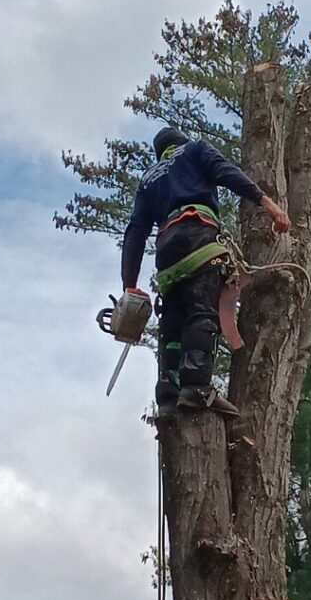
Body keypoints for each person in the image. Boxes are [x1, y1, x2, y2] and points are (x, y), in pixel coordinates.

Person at [121, 126, 291, 416]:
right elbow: (226, 172)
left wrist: (129, 283)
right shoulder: (195, 150)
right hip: (198, 236)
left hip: (167, 253)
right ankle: (196, 385)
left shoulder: (148, 178)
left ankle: (167, 393)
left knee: (173, 321)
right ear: (180, 142)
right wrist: (267, 202)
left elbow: (135, 230)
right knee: (201, 311)